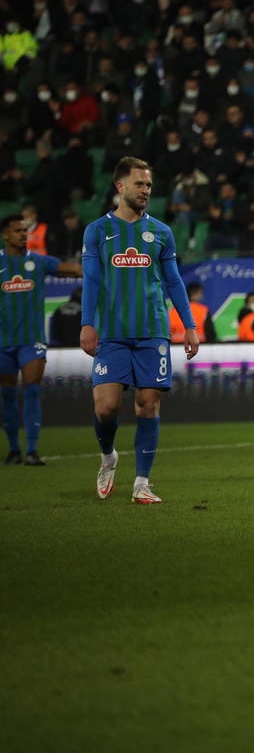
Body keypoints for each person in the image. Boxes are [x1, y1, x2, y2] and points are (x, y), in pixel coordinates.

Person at [80, 157, 200, 504]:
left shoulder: (161, 232)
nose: (146, 190)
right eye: (140, 184)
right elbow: (91, 280)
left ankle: (142, 483)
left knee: (148, 405)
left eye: (148, 185)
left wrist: (189, 325)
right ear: (121, 187)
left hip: (153, 331)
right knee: (105, 408)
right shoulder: (97, 231)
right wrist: (87, 323)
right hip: (112, 333)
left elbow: (174, 281)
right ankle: (108, 458)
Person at [0, 214, 82, 464]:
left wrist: (97, 265)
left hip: (31, 340)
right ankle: (14, 450)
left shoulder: (37, 261)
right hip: (3, 341)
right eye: (18, 231)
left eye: (26, 231)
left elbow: (72, 269)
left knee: (33, 389)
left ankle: (32, 450)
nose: (24, 235)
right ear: (6, 235)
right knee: (8, 395)